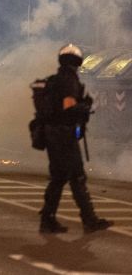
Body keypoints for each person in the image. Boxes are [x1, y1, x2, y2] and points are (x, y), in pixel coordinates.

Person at [39, 44, 113, 235]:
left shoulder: (54, 80)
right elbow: (68, 108)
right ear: (77, 61)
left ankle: (47, 220)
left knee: (58, 178)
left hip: (52, 134)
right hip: (64, 135)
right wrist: (85, 106)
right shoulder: (69, 80)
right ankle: (89, 220)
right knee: (77, 178)